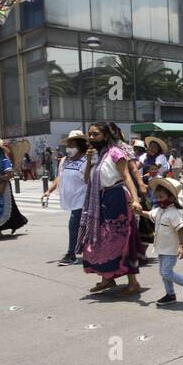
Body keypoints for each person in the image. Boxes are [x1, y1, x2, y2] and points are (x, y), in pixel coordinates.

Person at [78, 121, 143, 296]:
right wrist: (90, 160)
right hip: (101, 199)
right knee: (99, 240)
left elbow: (127, 177)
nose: (91, 137)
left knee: (123, 240)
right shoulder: (97, 155)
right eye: (89, 134)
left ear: (106, 136)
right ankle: (107, 278)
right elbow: (87, 180)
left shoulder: (115, 152)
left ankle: (133, 283)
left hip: (118, 199)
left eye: (95, 134)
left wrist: (136, 200)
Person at [145, 177, 183, 305]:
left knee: (166, 272)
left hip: (170, 249)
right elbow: (150, 214)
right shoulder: (160, 210)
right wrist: (138, 211)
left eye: (162, 197)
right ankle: (170, 295)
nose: (159, 200)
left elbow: (180, 229)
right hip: (161, 248)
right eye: (157, 197)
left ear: (171, 198)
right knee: (164, 274)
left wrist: (181, 246)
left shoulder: (173, 213)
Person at [45, 130, 88, 265]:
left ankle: (71, 253)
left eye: (72, 144)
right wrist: (49, 190)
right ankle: (87, 251)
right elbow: (59, 177)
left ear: (80, 145)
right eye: (68, 144)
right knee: (82, 226)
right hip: (70, 199)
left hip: (82, 198)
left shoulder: (87, 160)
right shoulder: (64, 160)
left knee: (74, 224)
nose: (69, 147)